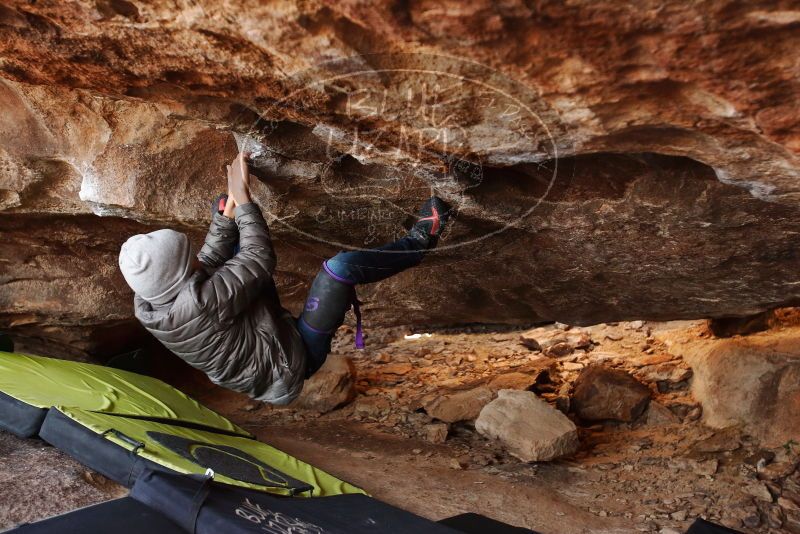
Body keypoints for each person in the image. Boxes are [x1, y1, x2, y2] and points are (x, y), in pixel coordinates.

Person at [119, 151, 450, 405]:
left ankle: (227, 217)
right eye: (185, 257)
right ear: (176, 276)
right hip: (293, 360)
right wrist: (244, 199)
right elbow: (258, 258)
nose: (193, 257)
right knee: (341, 268)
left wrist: (224, 219)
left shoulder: (151, 300)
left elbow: (203, 265)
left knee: (228, 224)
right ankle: (417, 245)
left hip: (264, 342)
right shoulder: (200, 305)